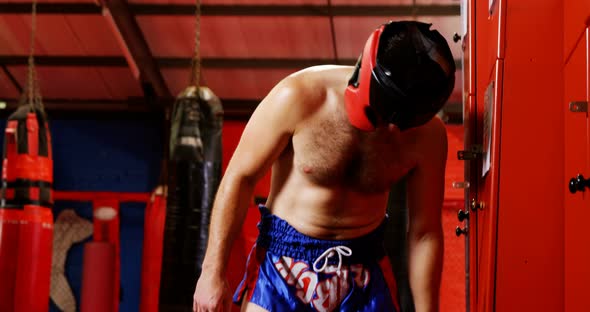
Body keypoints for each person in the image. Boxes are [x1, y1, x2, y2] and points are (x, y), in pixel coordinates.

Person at [193, 20, 456, 312]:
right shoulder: (299, 95)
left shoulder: (428, 136)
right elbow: (240, 177)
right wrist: (211, 273)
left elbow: (424, 231)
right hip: (284, 263)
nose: (389, 131)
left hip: (364, 266)